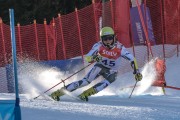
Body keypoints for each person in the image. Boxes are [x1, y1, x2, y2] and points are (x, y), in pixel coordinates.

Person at [50, 26, 143, 101]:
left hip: (111, 70)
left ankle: (86, 94)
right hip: (99, 66)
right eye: (105, 39)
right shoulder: (98, 46)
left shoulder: (120, 48)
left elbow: (132, 59)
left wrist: (137, 72)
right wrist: (94, 58)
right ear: (101, 39)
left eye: (110, 38)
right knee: (85, 82)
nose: (108, 41)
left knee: (112, 77)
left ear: (114, 37)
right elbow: (88, 57)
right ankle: (58, 93)